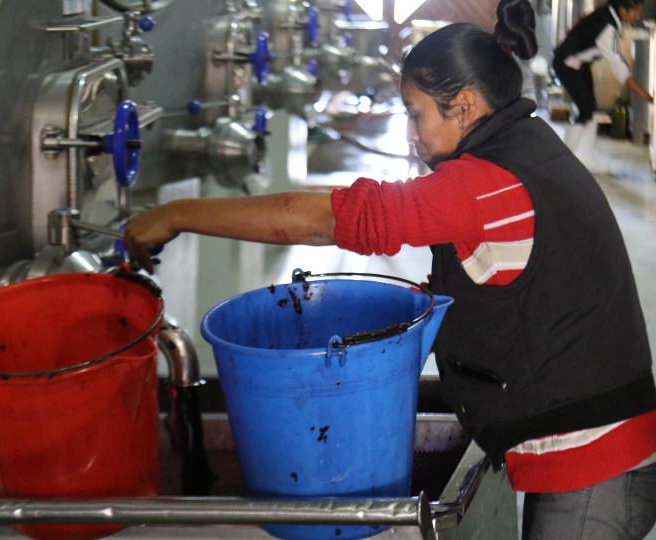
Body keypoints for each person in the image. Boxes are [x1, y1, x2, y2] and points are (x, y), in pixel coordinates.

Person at [124, 1, 656, 537]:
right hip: (596, 442)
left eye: (415, 114)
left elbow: (323, 222)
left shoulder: (483, 186)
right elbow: (494, 288)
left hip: (598, 461)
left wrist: (177, 214)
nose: (409, 134)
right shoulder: (526, 145)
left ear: (464, 106)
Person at [553, 0, 654, 172]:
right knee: (586, 110)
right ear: (624, 9)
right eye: (636, 11)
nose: (638, 16)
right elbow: (619, 67)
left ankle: (586, 159)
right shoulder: (607, 28)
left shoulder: (609, 13)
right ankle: (562, 163)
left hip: (580, 64)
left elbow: (581, 21)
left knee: (590, 111)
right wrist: (646, 96)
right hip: (567, 64)